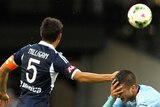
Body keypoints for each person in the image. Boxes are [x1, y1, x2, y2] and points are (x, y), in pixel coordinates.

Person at [0, 17, 118, 107]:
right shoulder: (55, 58)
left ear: (41, 33)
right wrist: (110, 77)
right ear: (59, 36)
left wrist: (3, 92)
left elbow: (3, 70)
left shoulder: (26, 50)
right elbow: (80, 77)